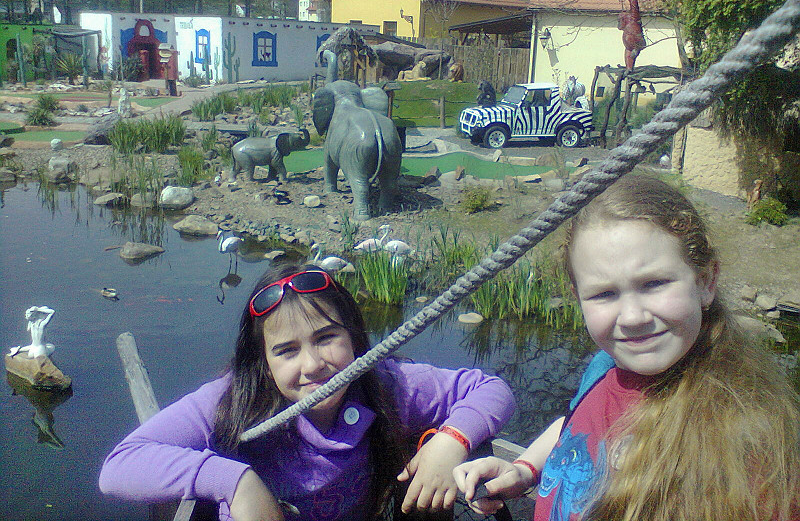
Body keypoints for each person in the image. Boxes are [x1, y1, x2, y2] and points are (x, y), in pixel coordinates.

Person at [454, 175, 800, 521]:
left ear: (705, 281)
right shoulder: (604, 367)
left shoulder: (751, 446)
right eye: (604, 294)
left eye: (654, 283)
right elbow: (574, 427)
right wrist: (525, 469)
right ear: (578, 298)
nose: (633, 317)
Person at [99, 262, 514, 521]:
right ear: (263, 362)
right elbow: (119, 466)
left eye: (326, 337)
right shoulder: (232, 400)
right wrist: (236, 481)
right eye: (287, 351)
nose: (313, 364)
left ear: (354, 336)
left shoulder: (385, 383)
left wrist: (451, 441)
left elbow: (489, 388)